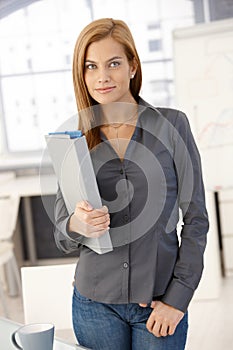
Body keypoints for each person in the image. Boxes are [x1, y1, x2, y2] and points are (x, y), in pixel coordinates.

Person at [54, 18, 209, 350]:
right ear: (81, 75)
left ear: (133, 66)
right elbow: (61, 234)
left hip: (158, 304)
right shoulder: (74, 140)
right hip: (94, 305)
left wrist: (178, 297)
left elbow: (196, 219)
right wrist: (77, 224)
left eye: (113, 63)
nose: (102, 76)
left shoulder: (172, 126)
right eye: (91, 66)